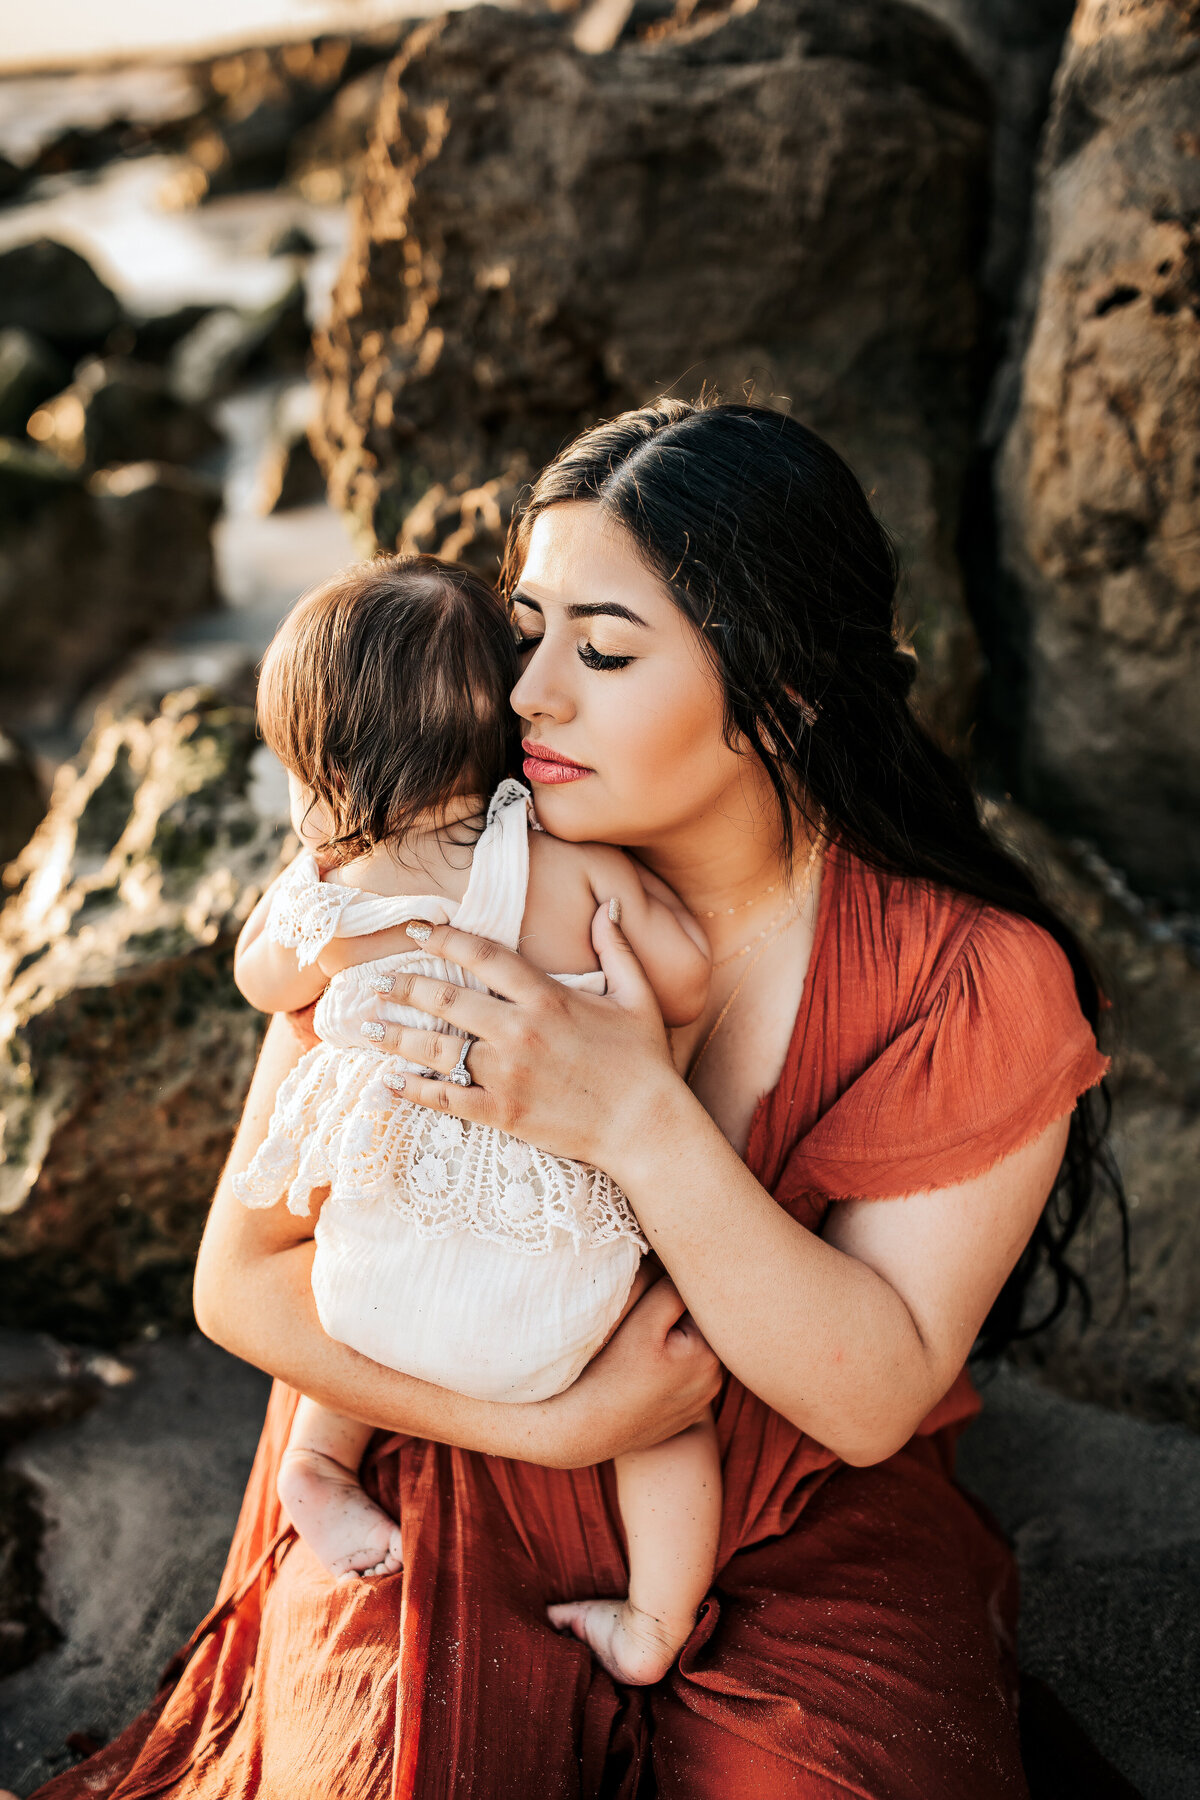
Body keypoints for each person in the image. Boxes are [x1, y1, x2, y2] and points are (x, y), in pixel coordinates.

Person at [27, 398, 1117, 1800]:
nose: (529, 692)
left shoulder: (966, 979)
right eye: (522, 630)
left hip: (793, 1503)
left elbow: (868, 1402)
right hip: (429, 1437)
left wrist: (636, 1120)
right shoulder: (432, 856)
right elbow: (241, 1285)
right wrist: (559, 1428)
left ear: (779, 696)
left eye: (602, 650)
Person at [229, 553, 718, 1681]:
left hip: (372, 1297)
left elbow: (262, 979)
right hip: (563, 1316)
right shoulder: (576, 869)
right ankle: (652, 1621)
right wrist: (635, 1010)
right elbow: (688, 979)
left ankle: (319, 1460)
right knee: (670, 1421)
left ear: (332, 770)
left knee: (331, 1257)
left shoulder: (339, 902)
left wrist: (312, 870)